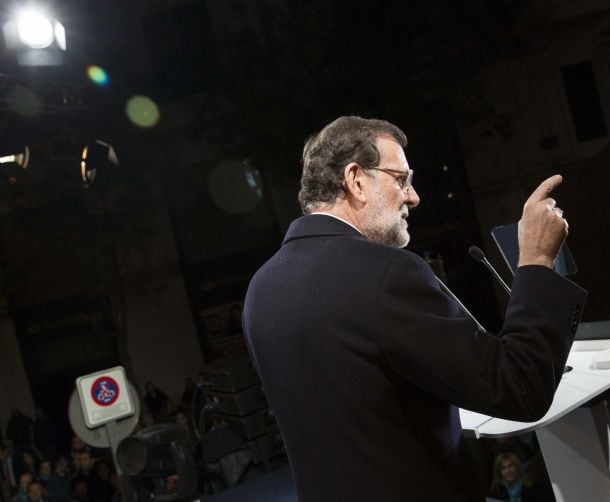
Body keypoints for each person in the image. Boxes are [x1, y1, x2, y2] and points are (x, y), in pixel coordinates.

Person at [242, 116, 586, 501]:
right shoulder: (386, 273)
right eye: (401, 179)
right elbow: (519, 387)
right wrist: (538, 260)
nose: (414, 196)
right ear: (356, 180)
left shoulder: (260, 290)